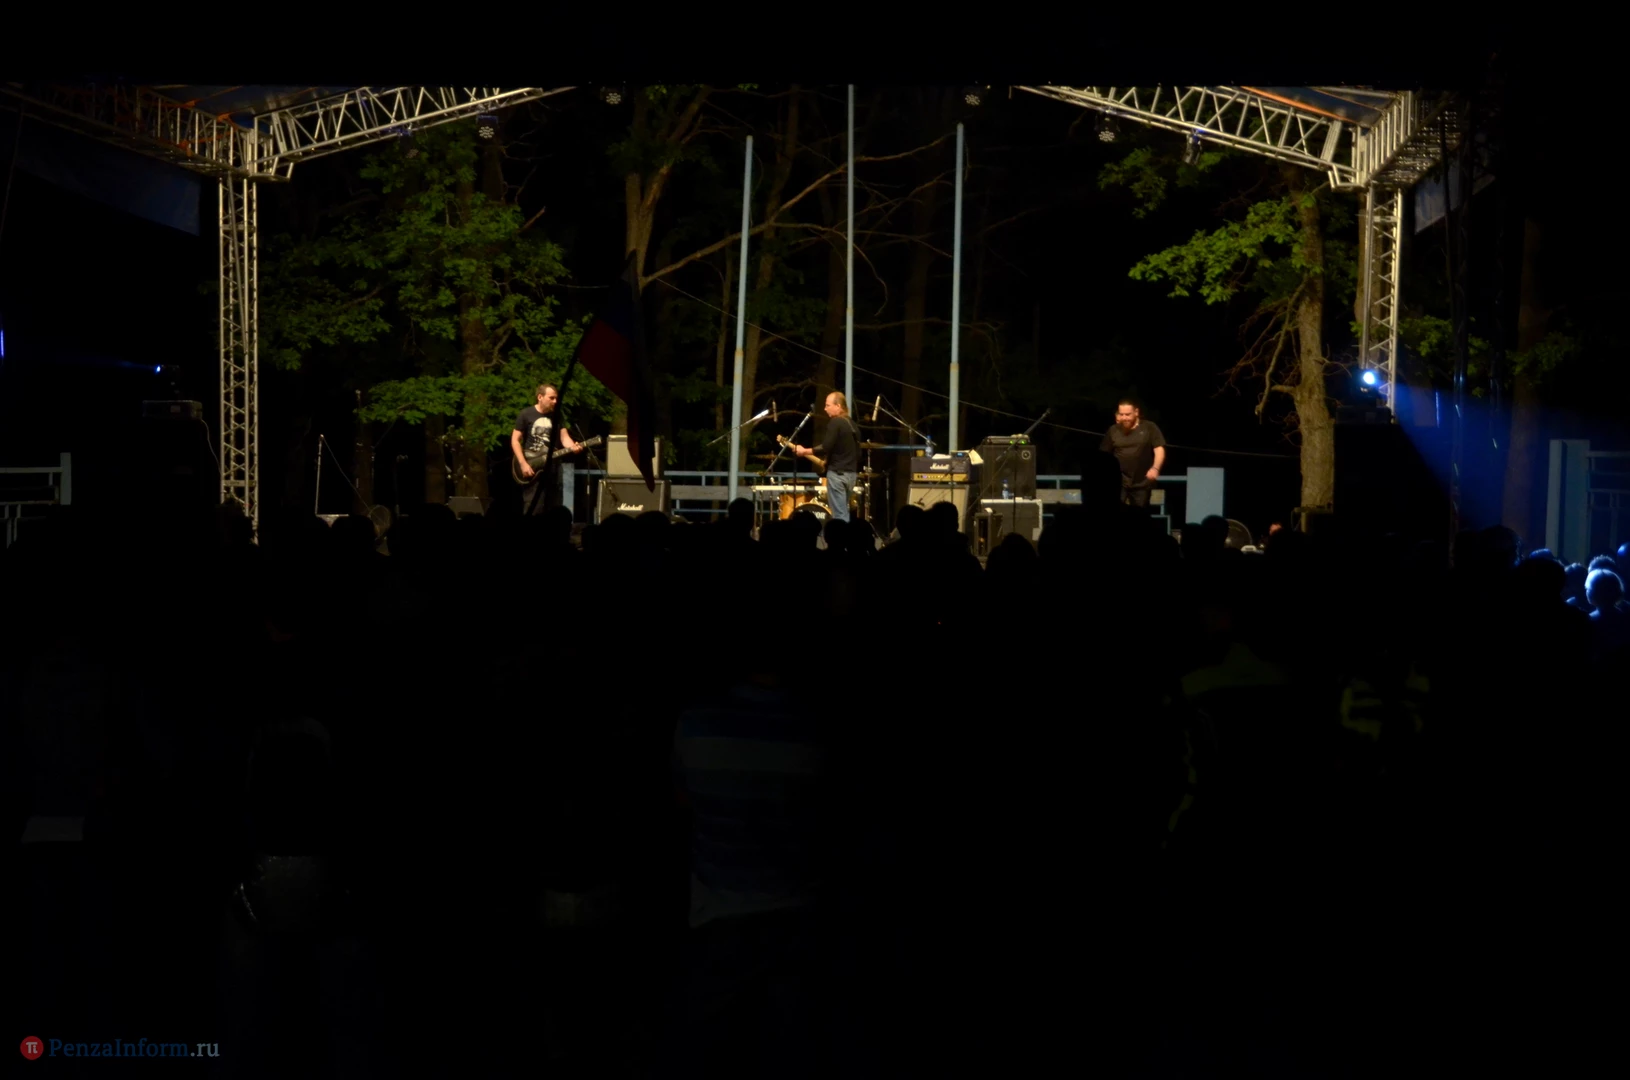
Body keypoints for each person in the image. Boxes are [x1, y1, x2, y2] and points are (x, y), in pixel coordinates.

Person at [511, 384, 583, 512]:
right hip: (534, 467)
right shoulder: (526, 414)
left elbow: (564, 438)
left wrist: (573, 446)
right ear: (540, 397)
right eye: (551, 398)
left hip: (553, 468)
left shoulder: (557, 416)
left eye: (556, 398)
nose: (555, 401)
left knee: (553, 508)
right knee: (534, 507)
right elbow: (515, 440)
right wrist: (523, 464)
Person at [790, 392, 860, 524]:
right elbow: (857, 452)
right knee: (843, 511)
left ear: (838, 406)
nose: (825, 408)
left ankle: (841, 537)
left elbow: (826, 446)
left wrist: (804, 451)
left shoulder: (835, 422)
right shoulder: (852, 425)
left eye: (828, 405)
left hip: (837, 475)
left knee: (839, 515)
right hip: (851, 475)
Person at [1098, 398, 1166, 508]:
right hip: (1118, 482)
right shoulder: (1113, 430)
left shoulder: (1149, 427)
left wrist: (1155, 468)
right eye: (1121, 415)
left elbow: (1159, 449)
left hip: (1142, 482)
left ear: (1136, 412)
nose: (1124, 418)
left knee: (1139, 514)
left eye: (1128, 414)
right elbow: (1103, 454)